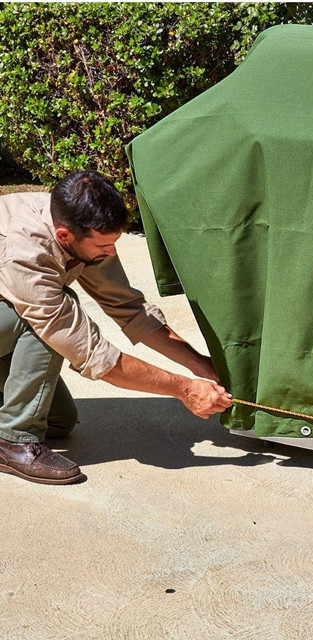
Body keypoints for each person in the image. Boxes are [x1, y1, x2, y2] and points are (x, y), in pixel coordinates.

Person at [0, 171, 233, 485]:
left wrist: (202, 366)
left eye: (113, 243)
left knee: (59, 422)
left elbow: (129, 309)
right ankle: (13, 443)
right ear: (64, 235)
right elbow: (94, 354)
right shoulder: (26, 252)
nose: (111, 253)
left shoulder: (77, 222)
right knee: (47, 323)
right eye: (103, 245)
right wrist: (185, 389)